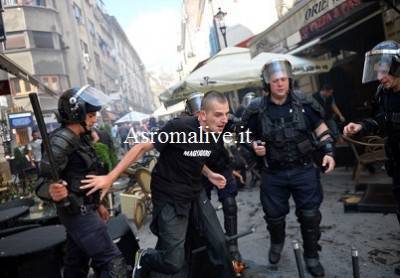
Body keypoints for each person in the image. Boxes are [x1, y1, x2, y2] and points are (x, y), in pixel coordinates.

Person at [81, 91, 235, 278]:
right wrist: (110, 177)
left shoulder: (215, 132)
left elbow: (192, 155)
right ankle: (144, 257)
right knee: (172, 262)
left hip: (195, 191)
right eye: (218, 114)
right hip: (170, 194)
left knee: (219, 244)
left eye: (226, 114)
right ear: (202, 115)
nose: (224, 119)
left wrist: (210, 174)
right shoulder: (179, 127)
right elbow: (140, 148)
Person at [242, 59, 335, 277]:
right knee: (274, 216)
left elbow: (322, 129)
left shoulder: (303, 103)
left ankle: (312, 256)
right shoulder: (257, 109)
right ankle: (276, 243)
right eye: (275, 81)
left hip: (303, 170)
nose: (280, 84)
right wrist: (253, 145)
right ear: (268, 83)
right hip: (273, 174)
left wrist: (329, 152)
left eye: (283, 79)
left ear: (289, 80)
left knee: (310, 216)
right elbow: (242, 135)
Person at [36, 85, 129, 278]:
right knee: (114, 264)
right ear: (76, 113)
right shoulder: (61, 140)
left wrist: (98, 205)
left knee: (75, 265)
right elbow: (41, 184)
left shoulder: (82, 139)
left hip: (86, 209)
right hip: (77, 213)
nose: (94, 119)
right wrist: (52, 190)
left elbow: (87, 177)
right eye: (91, 115)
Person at [343, 40, 400, 275]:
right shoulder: (383, 93)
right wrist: (360, 126)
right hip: (397, 160)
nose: (380, 77)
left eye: (384, 72)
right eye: (377, 72)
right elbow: (382, 120)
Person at [185, 92, 243, 262]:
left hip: (221, 165)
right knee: (203, 210)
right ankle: (211, 243)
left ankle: (233, 246)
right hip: (199, 170)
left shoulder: (223, 120)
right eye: (197, 115)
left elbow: (242, 128)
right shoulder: (187, 128)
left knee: (230, 203)